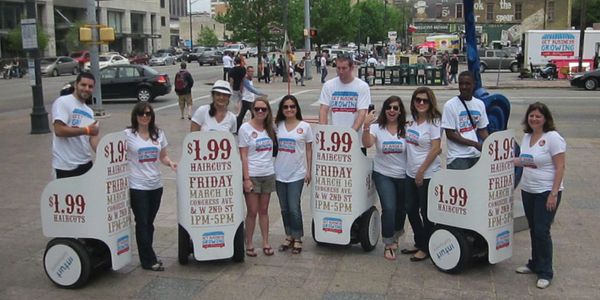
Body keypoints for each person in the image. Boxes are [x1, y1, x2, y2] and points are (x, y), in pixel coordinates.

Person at [513, 102, 566, 289]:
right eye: (531, 115)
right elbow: (523, 160)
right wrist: (504, 160)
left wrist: (553, 193)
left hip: (546, 191)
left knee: (542, 230)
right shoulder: (527, 136)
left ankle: (545, 271)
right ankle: (534, 263)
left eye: (538, 116)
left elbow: (560, 167)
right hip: (528, 190)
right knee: (534, 228)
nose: (534, 119)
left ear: (545, 118)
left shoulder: (553, 138)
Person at [125, 102, 177, 271]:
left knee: (150, 222)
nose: (145, 117)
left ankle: (147, 255)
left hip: (155, 184)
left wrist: (170, 163)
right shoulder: (127, 135)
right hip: (137, 185)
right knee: (142, 222)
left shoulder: (158, 134)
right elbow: (115, 153)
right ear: (136, 116)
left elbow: (163, 156)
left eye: (148, 114)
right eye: (141, 114)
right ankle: (149, 260)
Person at [361, 96, 408, 261]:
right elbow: (367, 144)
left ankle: (395, 234)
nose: (392, 111)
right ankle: (388, 244)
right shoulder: (377, 128)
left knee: (402, 210)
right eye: (389, 107)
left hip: (404, 175)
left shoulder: (407, 129)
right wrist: (366, 125)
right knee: (389, 208)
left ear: (400, 111)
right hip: (383, 174)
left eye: (396, 108)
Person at [402, 87, 442, 262]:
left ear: (430, 102)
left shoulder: (434, 122)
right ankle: (420, 241)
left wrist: (421, 171)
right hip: (410, 172)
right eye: (418, 100)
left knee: (426, 212)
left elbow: (436, 149)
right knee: (410, 208)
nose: (421, 103)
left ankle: (427, 247)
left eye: (425, 100)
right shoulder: (411, 121)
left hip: (426, 174)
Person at [274, 95, 313, 255]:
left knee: (294, 207)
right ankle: (288, 235)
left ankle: (298, 237)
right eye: (286, 107)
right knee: (284, 208)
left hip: (297, 173)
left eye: (292, 106)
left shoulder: (304, 127)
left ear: (297, 108)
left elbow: (309, 150)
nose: (289, 109)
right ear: (282, 110)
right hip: (279, 173)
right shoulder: (277, 126)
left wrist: (309, 170)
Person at [238, 97, 277, 257]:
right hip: (252, 174)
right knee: (252, 211)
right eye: (257, 109)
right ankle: (249, 242)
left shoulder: (271, 128)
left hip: (268, 173)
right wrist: (246, 179)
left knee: (264, 210)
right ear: (252, 110)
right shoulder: (245, 129)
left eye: (264, 109)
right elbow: (244, 155)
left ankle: (266, 242)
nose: (260, 112)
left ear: (268, 111)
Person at [51, 72, 100, 179]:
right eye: (83, 85)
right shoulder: (63, 102)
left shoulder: (89, 111)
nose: (86, 88)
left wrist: (106, 154)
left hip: (86, 164)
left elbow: (92, 138)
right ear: (75, 85)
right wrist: (86, 130)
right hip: (65, 166)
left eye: (90, 86)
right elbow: (59, 130)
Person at [441, 71, 489, 169]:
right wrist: (475, 144)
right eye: (461, 83)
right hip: (458, 157)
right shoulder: (450, 105)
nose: (464, 87)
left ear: (473, 85)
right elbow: (450, 134)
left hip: (476, 156)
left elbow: (482, 130)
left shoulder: (480, 104)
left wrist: (492, 144)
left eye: (467, 84)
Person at [319, 55, 371, 135]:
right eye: (338, 68)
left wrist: (350, 134)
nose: (341, 71)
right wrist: (324, 132)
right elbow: (323, 110)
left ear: (351, 68)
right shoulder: (328, 85)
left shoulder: (362, 86)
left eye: (344, 68)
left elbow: (362, 113)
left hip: (355, 138)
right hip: (334, 137)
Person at [237, 66, 267, 131]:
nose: (251, 73)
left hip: (250, 99)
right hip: (246, 100)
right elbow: (251, 89)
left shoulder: (250, 79)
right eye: (250, 71)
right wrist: (261, 94)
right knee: (254, 114)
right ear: (247, 72)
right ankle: (253, 127)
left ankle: (238, 128)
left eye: (252, 71)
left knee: (242, 115)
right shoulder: (245, 80)